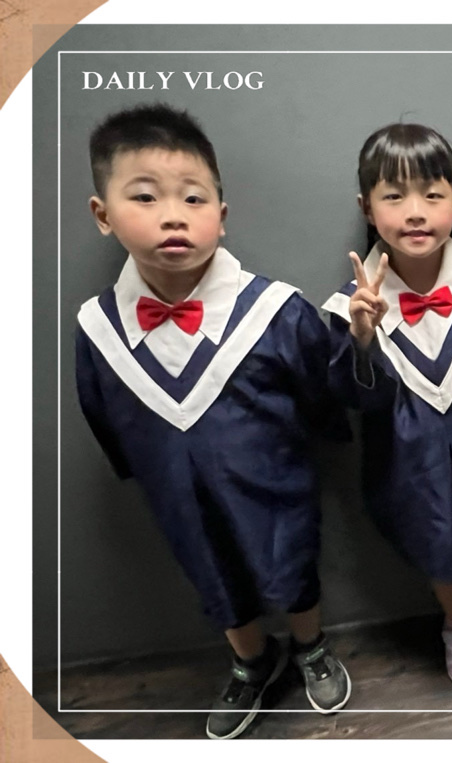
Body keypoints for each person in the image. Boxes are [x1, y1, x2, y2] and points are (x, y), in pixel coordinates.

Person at [74, 104, 351, 739]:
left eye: (193, 198)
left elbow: (319, 393)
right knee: (210, 571)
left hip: (274, 483)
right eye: (145, 196)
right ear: (103, 214)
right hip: (173, 492)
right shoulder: (97, 328)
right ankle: (252, 660)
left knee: (291, 560)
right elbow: (102, 413)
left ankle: (310, 646)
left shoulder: (276, 310)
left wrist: (327, 438)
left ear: (221, 217)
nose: (173, 214)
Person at [322, 123, 452, 697]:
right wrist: (362, 339)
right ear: (367, 209)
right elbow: (353, 399)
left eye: (432, 195)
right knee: (437, 546)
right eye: (394, 196)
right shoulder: (351, 308)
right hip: (408, 457)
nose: (415, 212)